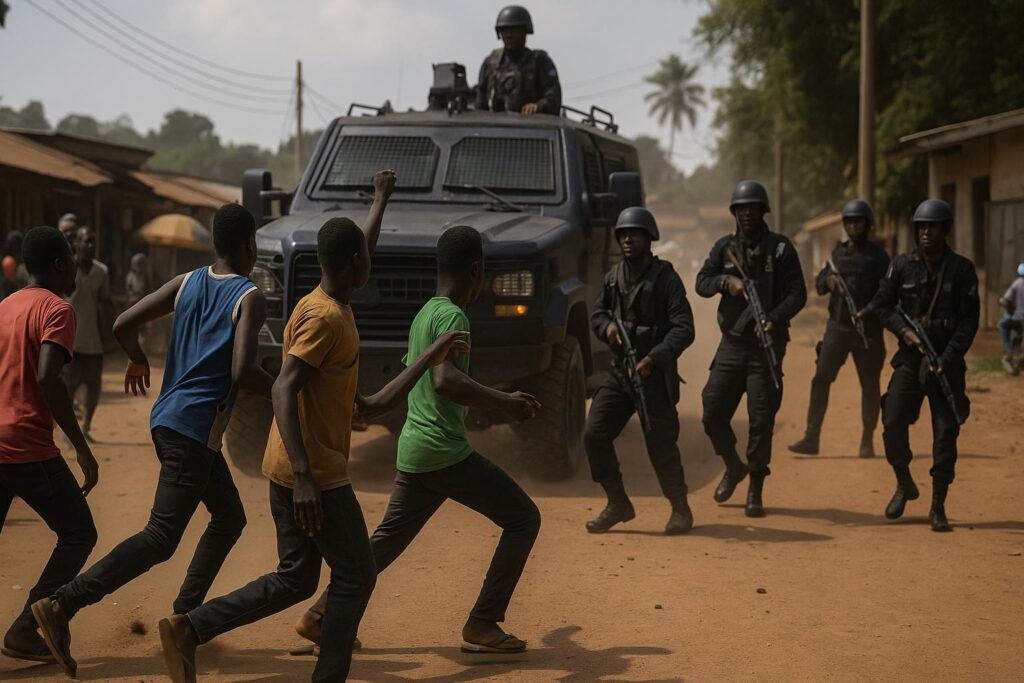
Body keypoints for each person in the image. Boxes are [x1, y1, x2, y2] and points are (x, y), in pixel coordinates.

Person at [156, 216, 467, 683]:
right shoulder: (325, 317)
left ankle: (190, 627)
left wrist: (427, 357)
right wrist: (304, 474)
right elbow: (283, 388)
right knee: (357, 574)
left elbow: (371, 404)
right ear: (356, 262)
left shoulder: (323, 305)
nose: (370, 261)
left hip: (292, 465)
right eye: (366, 254)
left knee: (297, 578)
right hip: (314, 474)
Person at [31, 204, 275, 679]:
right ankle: (63, 605)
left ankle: (185, 616)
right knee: (161, 537)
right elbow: (243, 370)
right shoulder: (249, 296)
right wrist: (289, 388)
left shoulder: (186, 281)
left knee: (229, 516)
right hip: (194, 428)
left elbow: (124, 325)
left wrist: (139, 359)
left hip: (169, 421)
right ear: (250, 246)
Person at [293, 225, 542, 656]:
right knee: (523, 519)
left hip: (415, 448)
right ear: (476, 271)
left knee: (383, 544)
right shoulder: (454, 317)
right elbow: (444, 380)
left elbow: (419, 377)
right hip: (443, 451)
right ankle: (483, 622)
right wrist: (505, 402)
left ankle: (321, 616)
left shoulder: (426, 312)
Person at [0, 227, 98, 665]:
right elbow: (46, 377)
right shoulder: (58, 309)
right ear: (60, 263)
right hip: (25, 444)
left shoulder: (5, 306)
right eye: (73, 257)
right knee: (79, 533)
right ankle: (25, 629)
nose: (77, 264)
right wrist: (80, 446)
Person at [695, 180, 807, 517]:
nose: (746, 213)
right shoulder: (724, 248)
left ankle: (755, 486)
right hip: (732, 343)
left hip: (765, 347)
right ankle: (733, 465)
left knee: (761, 419)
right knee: (712, 409)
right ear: (733, 212)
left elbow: (797, 293)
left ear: (762, 211)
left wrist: (773, 318)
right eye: (740, 208)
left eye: (752, 207)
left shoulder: (781, 249)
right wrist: (725, 283)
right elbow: (701, 283)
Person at [583, 207, 696, 535]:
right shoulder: (613, 276)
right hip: (621, 372)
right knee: (594, 433)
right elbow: (598, 313)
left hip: (653, 374)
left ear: (650, 238)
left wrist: (656, 358)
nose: (629, 239)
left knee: (660, 442)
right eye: (624, 234)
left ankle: (680, 508)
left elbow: (684, 328)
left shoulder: (666, 278)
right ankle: (617, 503)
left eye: (636, 233)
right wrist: (607, 330)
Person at [871, 199, 979, 532]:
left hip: (946, 361)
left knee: (945, 432)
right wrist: (904, 331)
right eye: (921, 227)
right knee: (892, 419)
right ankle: (904, 482)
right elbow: (881, 305)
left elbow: (969, 321)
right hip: (911, 358)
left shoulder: (962, 269)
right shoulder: (902, 265)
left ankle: (938, 506)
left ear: (945, 230)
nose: (926, 232)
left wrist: (947, 358)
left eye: (932, 226)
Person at [790, 199, 890, 457]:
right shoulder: (838, 253)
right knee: (821, 378)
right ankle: (811, 436)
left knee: (869, 384)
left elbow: (889, 292)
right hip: (838, 328)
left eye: (858, 221)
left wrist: (870, 311)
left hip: (867, 330)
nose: (853, 226)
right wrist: (829, 281)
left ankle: (867, 440)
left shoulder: (879, 256)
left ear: (868, 225)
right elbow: (820, 282)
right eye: (849, 222)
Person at [476, 5, 561, 116]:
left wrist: (538, 106)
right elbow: (479, 101)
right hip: (494, 126)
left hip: (533, 126)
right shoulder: (491, 63)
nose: (509, 35)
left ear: (525, 31)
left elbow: (553, 96)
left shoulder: (539, 61)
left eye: (515, 30)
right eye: (505, 31)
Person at [66, 226, 110, 441]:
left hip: (93, 341)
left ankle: (86, 426)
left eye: (93, 241)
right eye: (86, 241)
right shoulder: (66, 267)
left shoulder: (102, 271)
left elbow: (104, 303)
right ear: (77, 243)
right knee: (69, 386)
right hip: (69, 340)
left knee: (93, 386)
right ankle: (68, 429)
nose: (90, 245)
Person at [997, 263, 1024, 374]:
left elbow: (1004, 300)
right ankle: (1018, 357)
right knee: (1018, 334)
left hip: (1018, 318)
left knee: (1002, 324)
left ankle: (1008, 353)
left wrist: (1009, 311)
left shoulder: (1017, 283)